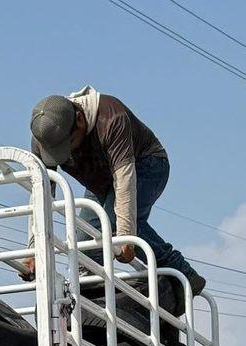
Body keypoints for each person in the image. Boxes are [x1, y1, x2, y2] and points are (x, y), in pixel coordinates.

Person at [23, 89, 205, 296]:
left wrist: (126, 236)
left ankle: (183, 274)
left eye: (69, 144)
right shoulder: (44, 137)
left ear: (80, 120)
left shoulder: (111, 118)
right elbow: (41, 195)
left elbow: (124, 181)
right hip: (101, 184)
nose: (68, 153)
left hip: (146, 165)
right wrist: (33, 249)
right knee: (84, 249)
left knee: (116, 226)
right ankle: (93, 299)